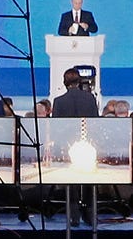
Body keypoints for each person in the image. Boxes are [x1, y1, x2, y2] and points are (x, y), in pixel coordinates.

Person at [52, 67, 98, 227]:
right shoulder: (90, 98)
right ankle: (90, 214)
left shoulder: (58, 101)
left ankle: (74, 216)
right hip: (87, 144)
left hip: (68, 147)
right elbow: (95, 122)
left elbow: (56, 127)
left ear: (65, 83)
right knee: (88, 179)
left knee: (71, 180)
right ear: (79, 82)